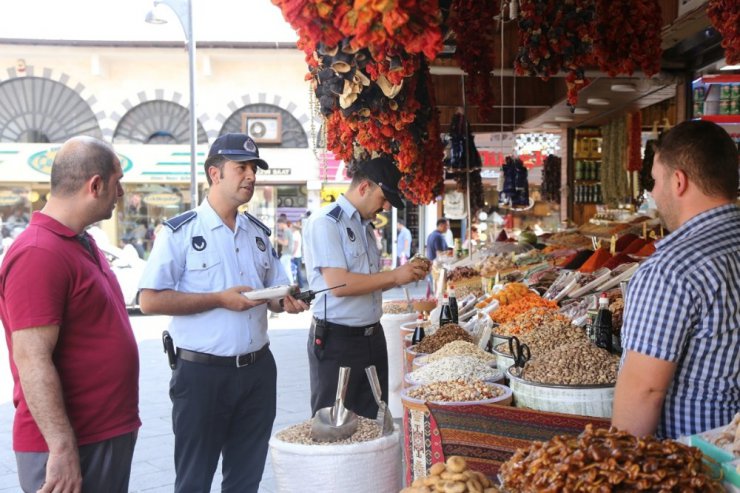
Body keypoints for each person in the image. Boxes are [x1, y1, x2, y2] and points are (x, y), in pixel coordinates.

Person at [138, 133, 308, 493]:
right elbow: (150, 300)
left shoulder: (258, 234)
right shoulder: (180, 232)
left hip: (258, 372)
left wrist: (286, 302)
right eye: (241, 168)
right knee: (194, 480)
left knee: (246, 479)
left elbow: (275, 291)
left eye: (254, 169)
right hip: (202, 375)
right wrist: (218, 299)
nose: (251, 176)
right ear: (215, 174)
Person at [0, 136, 140, 493]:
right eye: (117, 181)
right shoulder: (37, 252)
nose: (121, 192)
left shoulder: (81, 240)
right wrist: (61, 447)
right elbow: (31, 359)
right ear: (95, 185)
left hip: (103, 434)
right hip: (72, 444)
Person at [612, 120, 740, 439]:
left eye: (656, 181)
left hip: (698, 468)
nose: (654, 193)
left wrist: (619, 475)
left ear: (679, 181)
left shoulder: (670, 270)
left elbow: (644, 391)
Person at [303, 156, 427, 419]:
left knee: (373, 419)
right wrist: (394, 276)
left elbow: (367, 282)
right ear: (364, 187)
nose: (385, 207)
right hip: (337, 340)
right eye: (383, 199)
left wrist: (402, 277)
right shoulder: (326, 222)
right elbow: (339, 284)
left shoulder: (365, 227)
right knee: (335, 422)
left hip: (371, 337)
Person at [277, 216, 294, 285]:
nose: (278, 227)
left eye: (278, 225)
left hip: (286, 253)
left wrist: (277, 240)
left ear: (282, 223)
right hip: (288, 253)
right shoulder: (288, 230)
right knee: (287, 270)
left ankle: (290, 285)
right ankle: (290, 284)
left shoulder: (286, 231)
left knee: (284, 270)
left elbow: (285, 243)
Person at [291, 219, 305, 288]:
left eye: (292, 227)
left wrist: (293, 254)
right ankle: (300, 285)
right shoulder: (297, 234)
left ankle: (301, 285)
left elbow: (296, 245)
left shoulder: (296, 234)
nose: (291, 228)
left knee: (297, 271)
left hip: (296, 255)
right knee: (298, 271)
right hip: (297, 255)